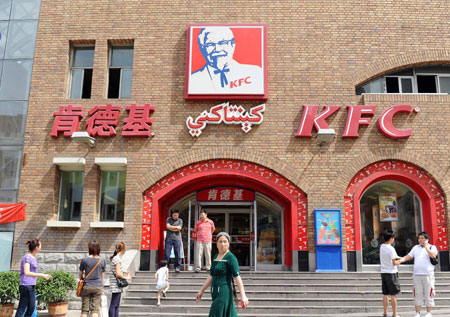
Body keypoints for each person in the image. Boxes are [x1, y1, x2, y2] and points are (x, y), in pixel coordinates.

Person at [189, 27, 264, 94]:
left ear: (232, 45)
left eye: (223, 43)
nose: (217, 49)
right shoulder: (193, 80)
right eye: (210, 44)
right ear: (202, 49)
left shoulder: (255, 74)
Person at [196, 232, 249, 316]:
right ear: (216, 243)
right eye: (220, 241)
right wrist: (201, 290)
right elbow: (211, 276)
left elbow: (237, 277)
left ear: (228, 243)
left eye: (225, 241)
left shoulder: (231, 257)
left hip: (224, 291)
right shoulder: (216, 256)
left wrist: (243, 296)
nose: (222, 244)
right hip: (215, 291)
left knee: (216, 313)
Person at [398, 232, 438, 317]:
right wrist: (400, 260)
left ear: (427, 239)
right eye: (419, 238)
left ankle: (428, 312)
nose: (420, 240)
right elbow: (409, 256)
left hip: (428, 275)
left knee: (429, 293)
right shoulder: (415, 248)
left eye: (423, 238)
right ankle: (417, 312)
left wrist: (426, 246)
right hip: (417, 275)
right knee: (417, 293)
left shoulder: (432, 247)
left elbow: (433, 255)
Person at [15, 239, 51, 317]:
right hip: (26, 286)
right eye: (40, 245)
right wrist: (42, 275)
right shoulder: (27, 257)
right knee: (22, 308)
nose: (41, 247)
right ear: (36, 247)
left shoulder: (32, 257)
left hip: (30, 286)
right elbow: (26, 272)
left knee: (31, 308)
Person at [79, 240, 106, 317]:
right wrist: (102, 286)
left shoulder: (84, 259)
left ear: (89, 249)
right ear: (98, 249)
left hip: (87, 286)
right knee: (95, 310)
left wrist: (82, 280)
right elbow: (102, 275)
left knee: (84, 310)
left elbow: (80, 273)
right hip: (98, 286)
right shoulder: (102, 260)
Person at [380, 231, 401, 317]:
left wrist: (403, 257)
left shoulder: (382, 246)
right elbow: (394, 262)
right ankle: (395, 314)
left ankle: (385, 313)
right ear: (392, 238)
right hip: (391, 273)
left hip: (384, 272)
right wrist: (400, 261)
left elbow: (394, 256)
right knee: (393, 294)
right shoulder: (391, 248)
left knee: (385, 294)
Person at [109, 242, 131, 317]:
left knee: (116, 304)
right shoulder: (117, 259)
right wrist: (126, 277)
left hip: (115, 284)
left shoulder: (115, 258)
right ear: (122, 249)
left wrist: (124, 271)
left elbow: (117, 271)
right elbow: (118, 273)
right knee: (114, 304)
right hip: (116, 284)